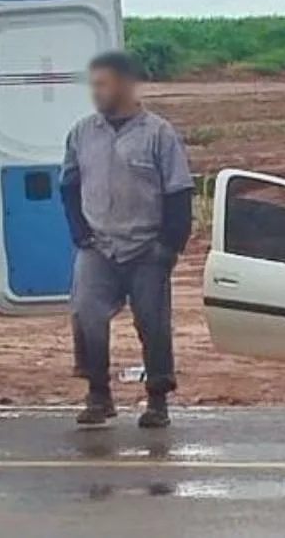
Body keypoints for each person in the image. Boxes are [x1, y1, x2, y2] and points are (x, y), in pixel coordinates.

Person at [61, 50, 195, 428]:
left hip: (147, 248)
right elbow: (68, 185)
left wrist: (168, 247)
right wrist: (80, 232)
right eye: (93, 85)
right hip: (99, 247)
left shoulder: (159, 134)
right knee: (85, 313)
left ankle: (157, 400)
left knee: (153, 323)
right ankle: (98, 395)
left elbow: (179, 193)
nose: (96, 92)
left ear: (123, 85)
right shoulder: (82, 133)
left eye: (102, 84)